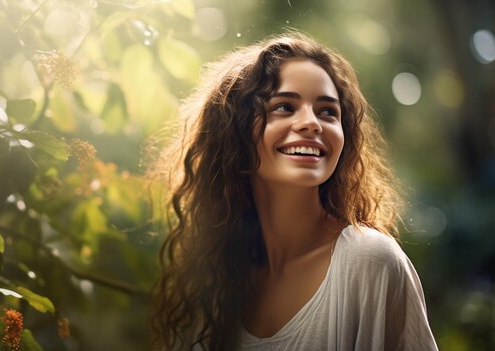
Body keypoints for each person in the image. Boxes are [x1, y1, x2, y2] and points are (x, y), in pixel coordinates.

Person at [150, 32, 438, 350]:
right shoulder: (212, 281)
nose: (311, 123)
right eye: (285, 107)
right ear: (235, 130)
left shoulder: (370, 263)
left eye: (328, 111)